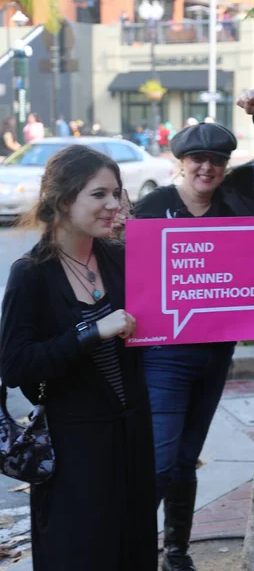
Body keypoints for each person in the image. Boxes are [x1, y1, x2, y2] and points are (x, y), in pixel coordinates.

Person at [133, 88, 254, 571]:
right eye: (197, 159)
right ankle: (133, 547)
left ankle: (177, 551)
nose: (207, 167)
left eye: (217, 160)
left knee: (186, 459)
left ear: (227, 165)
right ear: (180, 162)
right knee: (162, 461)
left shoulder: (241, 191)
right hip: (164, 353)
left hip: (217, 352)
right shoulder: (152, 208)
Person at [0, 146, 157, 571]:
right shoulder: (31, 273)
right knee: (83, 554)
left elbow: (191, 306)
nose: (114, 205)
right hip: (75, 449)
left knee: (135, 550)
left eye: (117, 193)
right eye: (99, 194)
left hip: (132, 435)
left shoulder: (121, 257)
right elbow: (15, 365)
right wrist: (90, 331)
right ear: (64, 199)